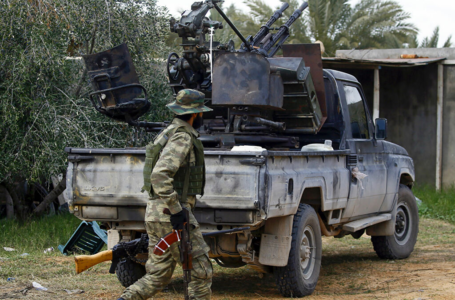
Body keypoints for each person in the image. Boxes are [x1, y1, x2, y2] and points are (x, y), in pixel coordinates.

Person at [118, 89, 213, 300]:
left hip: (155, 213)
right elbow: (160, 175)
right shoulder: (182, 136)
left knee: (157, 275)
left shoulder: (167, 132)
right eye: (201, 113)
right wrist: (177, 211)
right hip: (171, 214)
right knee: (201, 272)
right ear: (195, 114)